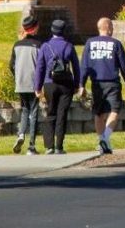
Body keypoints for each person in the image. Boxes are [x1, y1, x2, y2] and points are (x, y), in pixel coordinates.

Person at [79, 17, 125, 154]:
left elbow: (84, 66)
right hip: (112, 82)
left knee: (98, 112)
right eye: (112, 27)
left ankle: (101, 141)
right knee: (114, 110)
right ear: (108, 27)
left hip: (96, 83)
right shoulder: (116, 44)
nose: (113, 29)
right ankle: (105, 137)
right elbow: (124, 65)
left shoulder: (90, 43)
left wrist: (81, 84)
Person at [34, 19, 80, 154]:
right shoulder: (69, 46)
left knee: (50, 113)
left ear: (52, 31)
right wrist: (77, 84)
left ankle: (49, 146)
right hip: (66, 84)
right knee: (62, 115)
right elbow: (76, 67)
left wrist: (37, 87)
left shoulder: (45, 46)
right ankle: (59, 146)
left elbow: (40, 68)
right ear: (63, 31)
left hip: (50, 83)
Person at [9, 15, 42, 154]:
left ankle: (21, 133)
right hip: (33, 83)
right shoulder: (39, 45)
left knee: (24, 110)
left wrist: (17, 77)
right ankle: (31, 146)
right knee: (34, 113)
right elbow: (41, 66)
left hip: (20, 83)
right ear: (34, 28)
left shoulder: (17, 45)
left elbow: (11, 65)